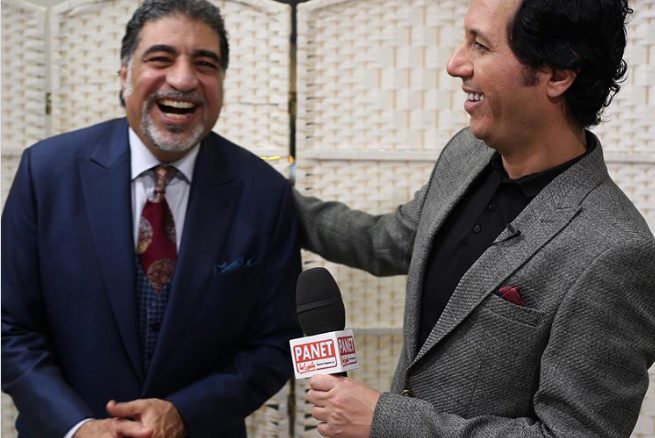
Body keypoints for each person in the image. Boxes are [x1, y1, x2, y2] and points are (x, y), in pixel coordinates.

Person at [296, 0, 655, 436]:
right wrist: (270, 198)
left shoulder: (616, 250)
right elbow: (385, 242)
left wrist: (385, 421)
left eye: (480, 46)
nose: (455, 64)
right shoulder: (465, 154)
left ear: (558, 75)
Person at [1, 0, 301, 437]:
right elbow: (10, 328)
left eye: (205, 64)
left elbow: (275, 344)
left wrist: (184, 413)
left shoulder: (264, 194)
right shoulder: (45, 173)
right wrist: (78, 427)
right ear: (124, 74)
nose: (183, 79)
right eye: (160, 59)